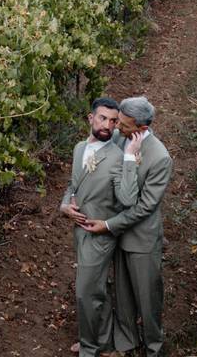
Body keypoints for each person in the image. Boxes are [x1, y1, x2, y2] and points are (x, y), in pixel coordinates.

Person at [60, 98, 142, 357]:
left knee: (86, 293)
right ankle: (104, 342)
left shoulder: (117, 156)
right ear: (90, 118)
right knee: (99, 290)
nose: (108, 125)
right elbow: (73, 186)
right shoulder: (78, 148)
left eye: (113, 121)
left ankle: (89, 348)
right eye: (103, 118)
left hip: (99, 235)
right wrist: (64, 205)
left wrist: (129, 159)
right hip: (79, 230)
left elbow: (128, 201)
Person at [104, 96, 173, 357]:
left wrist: (109, 224)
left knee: (148, 300)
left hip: (142, 240)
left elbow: (144, 208)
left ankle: (154, 349)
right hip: (120, 236)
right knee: (122, 297)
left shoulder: (160, 158)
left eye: (123, 124)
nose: (117, 128)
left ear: (141, 129)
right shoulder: (120, 139)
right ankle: (126, 345)